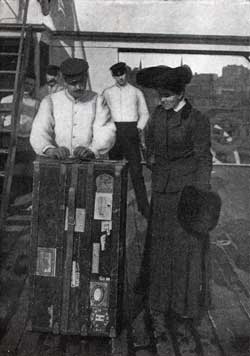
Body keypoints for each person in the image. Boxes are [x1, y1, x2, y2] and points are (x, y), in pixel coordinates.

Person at [136, 65, 213, 350]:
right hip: (162, 195)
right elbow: (150, 145)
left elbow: (204, 159)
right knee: (159, 254)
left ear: (181, 93)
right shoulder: (158, 115)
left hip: (186, 197)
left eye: (166, 95)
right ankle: (158, 311)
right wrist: (152, 161)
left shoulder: (197, 120)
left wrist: (199, 197)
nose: (161, 100)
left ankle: (182, 314)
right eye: (159, 95)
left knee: (184, 257)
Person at [30, 58, 116, 160]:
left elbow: (106, 130)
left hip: (90, 161)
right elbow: (39, 131)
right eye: (74, 83)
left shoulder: (98, 100)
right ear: (65, 81)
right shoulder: (50, 101)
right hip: (57, 163)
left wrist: (93, 150)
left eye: (82, 82)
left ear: (86, 78)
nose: (79, 87)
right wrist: (50, 150)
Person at [102, 62, 150, 218]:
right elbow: (102, 114)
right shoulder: (107, 93)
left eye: (122, 74)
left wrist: (138, 128)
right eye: (116, 75)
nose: (120, 77)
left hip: (131, 132)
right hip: (114, 133)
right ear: (113, 76)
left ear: (126, 74)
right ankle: (113, 207)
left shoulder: (136, 92)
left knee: (136, 172)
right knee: (114, 172)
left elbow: (144, 113)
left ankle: (144, 208)